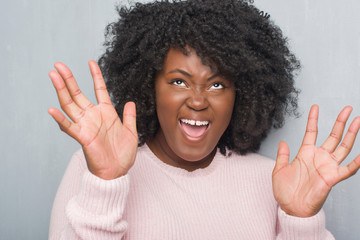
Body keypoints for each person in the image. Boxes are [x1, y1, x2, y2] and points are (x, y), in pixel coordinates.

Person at [48, 0, 360, 239]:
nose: (197, 101)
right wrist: (105, 183)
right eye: (179, 81)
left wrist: (301, 222)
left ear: (242, 95)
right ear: (148, 87)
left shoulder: (276, 181)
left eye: (217, 84)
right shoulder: (92, 167)